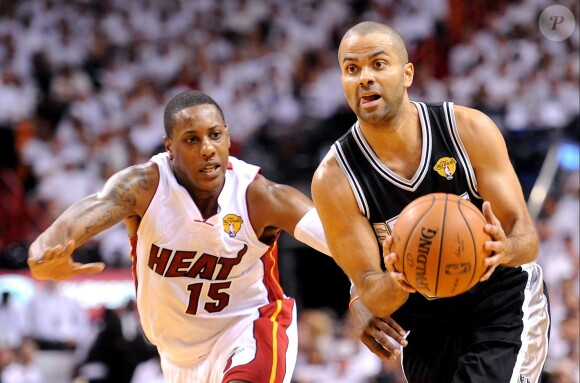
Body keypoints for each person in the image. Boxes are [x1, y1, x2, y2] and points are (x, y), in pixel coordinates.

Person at [27, 89, 407, 383]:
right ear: (169, 148)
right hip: (176, 358)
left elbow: (344, 241)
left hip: (251, 327)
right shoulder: (144, 187)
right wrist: (47, 250)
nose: (207, 148)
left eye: (215, 135)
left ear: (228, 139)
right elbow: (92, 207)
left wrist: (363, 291)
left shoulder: (260, 197)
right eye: (192, 140)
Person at [311, 21, 551, 383]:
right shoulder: (334, 180)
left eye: (378, 64)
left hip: (500, 302)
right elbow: (372, 295)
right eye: (351, 68)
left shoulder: (467, 129)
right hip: (424, 325)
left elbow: (527, 240)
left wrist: (505, 249)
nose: (364, 78)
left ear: (407, 74)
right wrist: (398, 278)